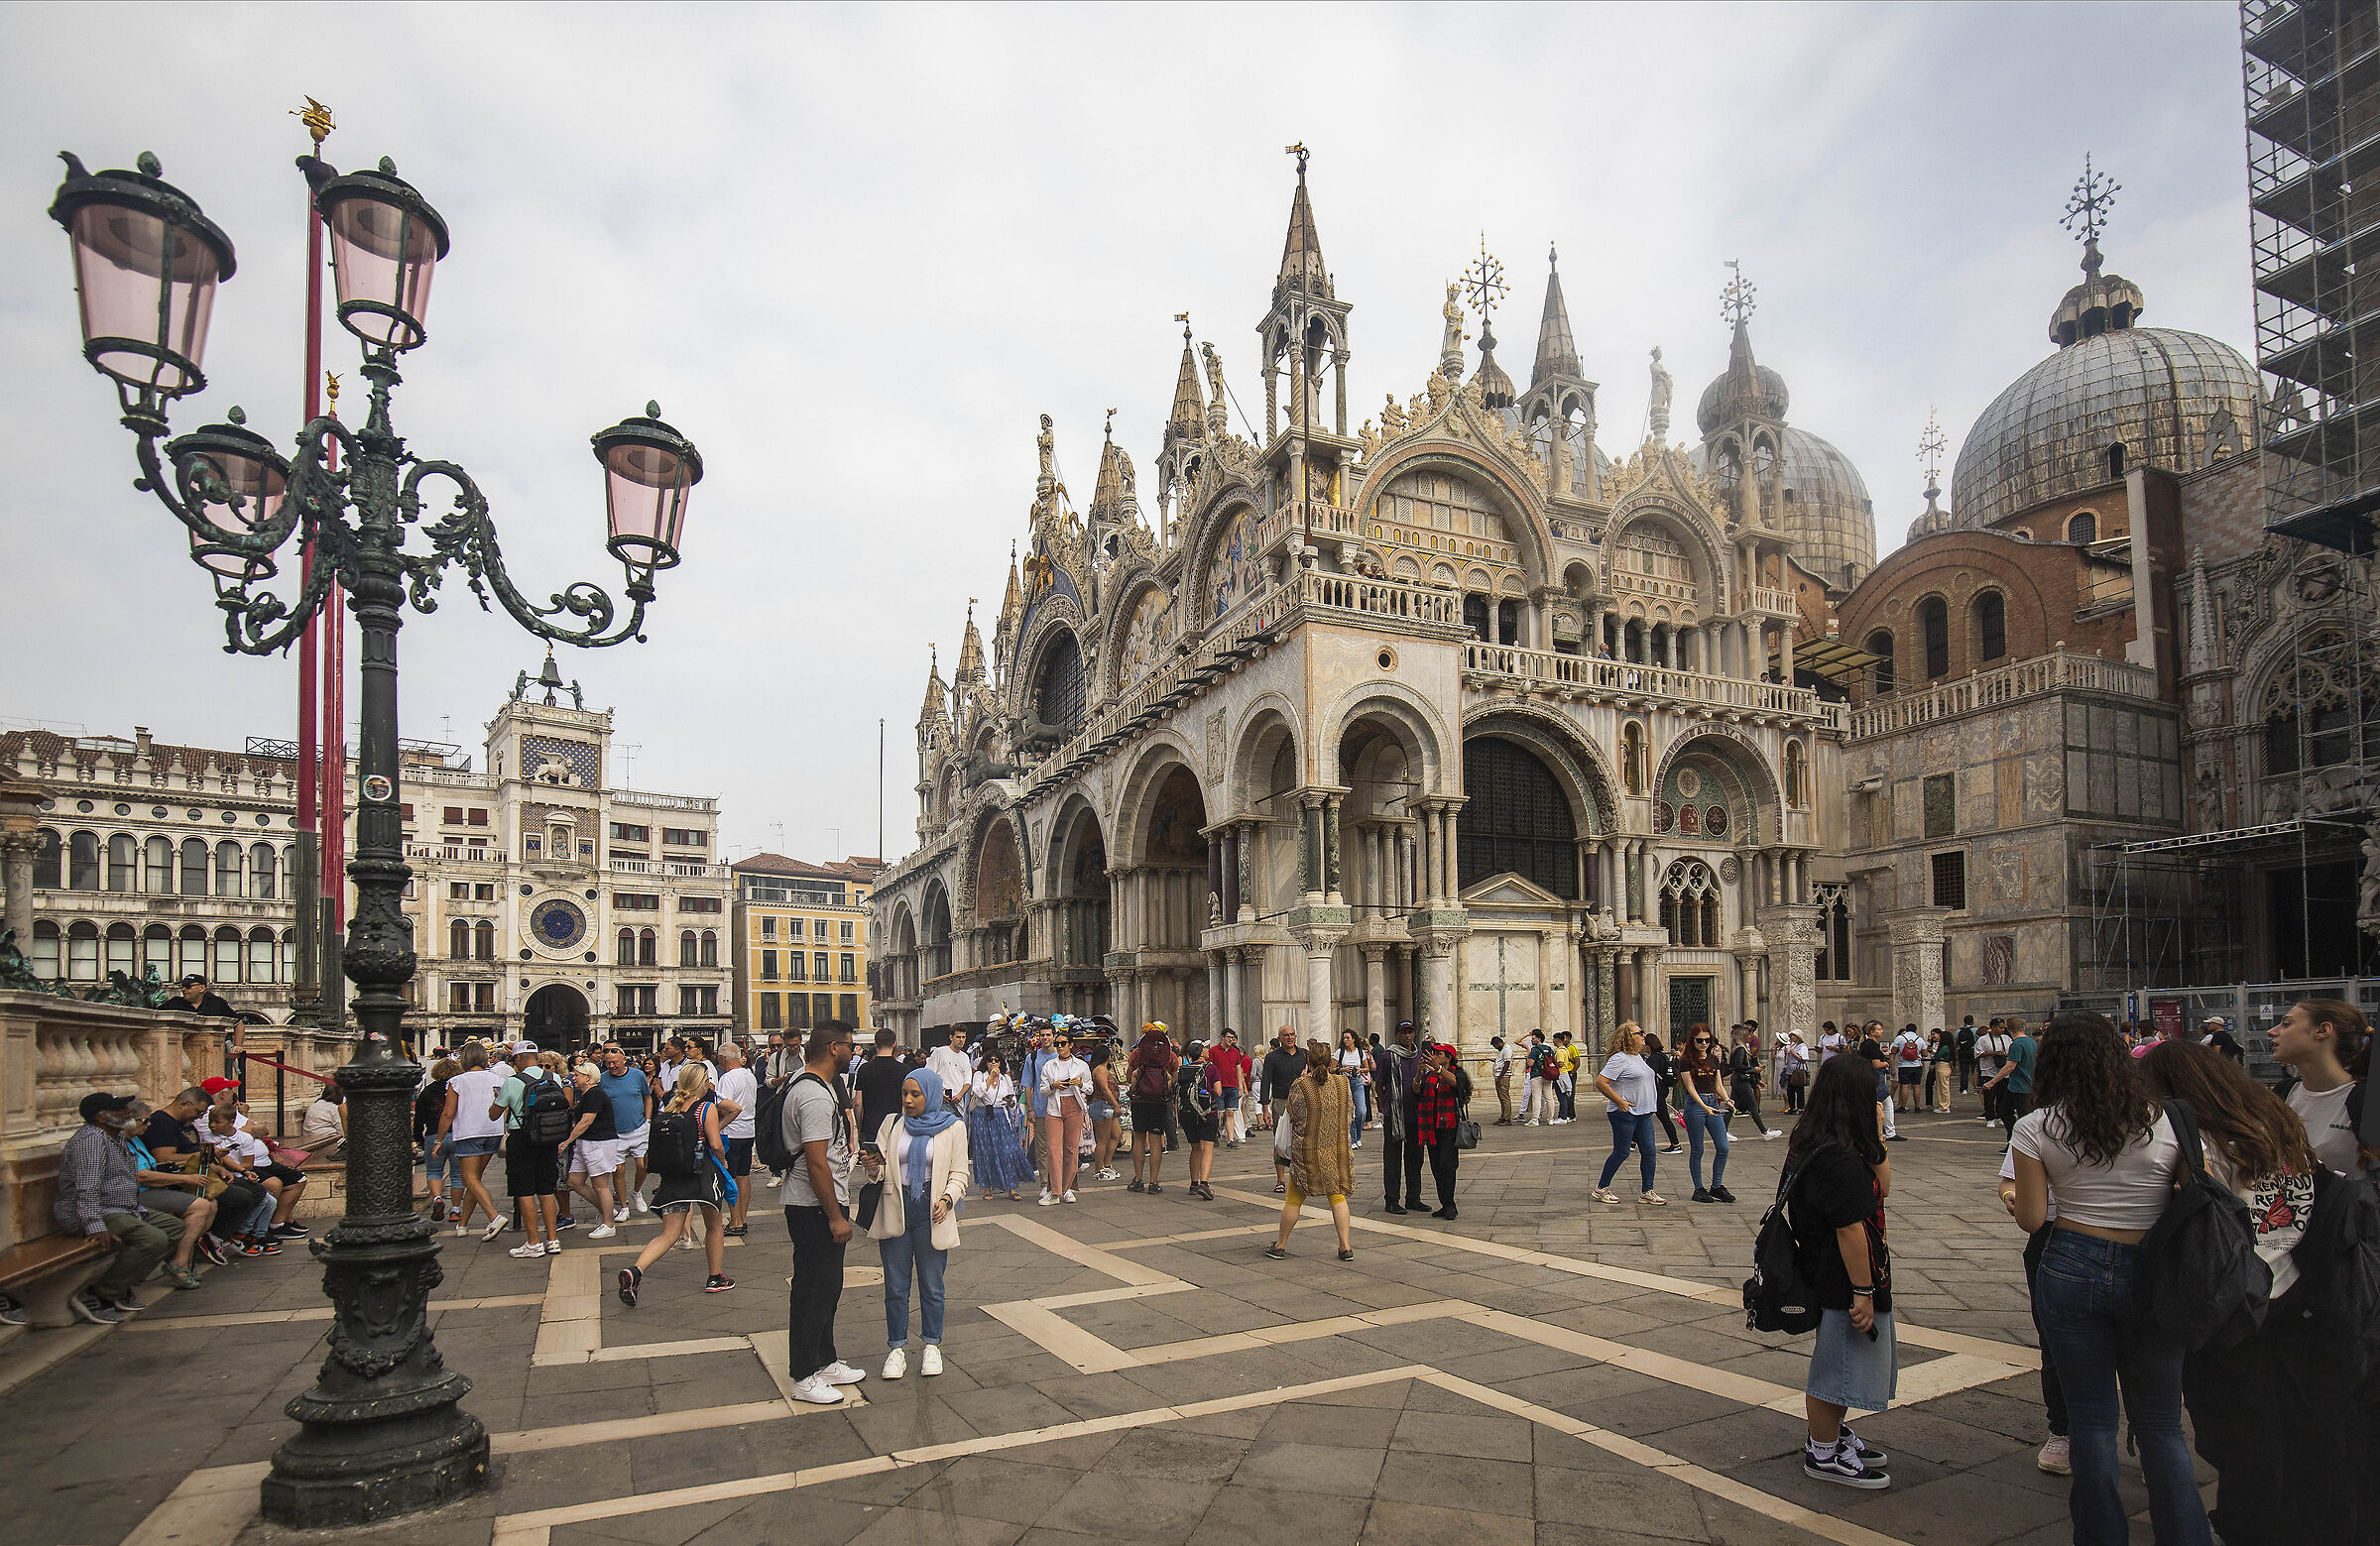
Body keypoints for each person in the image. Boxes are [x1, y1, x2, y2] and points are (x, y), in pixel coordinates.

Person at [2136, 1040, 2356, 1544]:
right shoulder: (2277, 1120)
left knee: (2234, 1429)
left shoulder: (2197, 1141)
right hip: (2294, 1286)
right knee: (2284, 1415)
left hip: (2231, 1297)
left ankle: (2249, 1522)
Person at [2008, 1011, 2208, 1546]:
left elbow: (2032, 1218)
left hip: (2071, 1262)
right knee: (2162, 1424)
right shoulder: (2171, 1117)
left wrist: (2019, 1196)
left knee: (2091, 1421)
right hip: (2153, 1267)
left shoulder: (2035, 1126)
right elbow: (2193, 1198)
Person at [1786, 1053, 1897, 1490]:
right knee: (1837, 1366)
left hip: (1836, 1267)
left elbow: (1884, 1187)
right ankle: (1822, 1451)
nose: (1879, 1099)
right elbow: (1850, 1229)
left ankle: (1833, 1433)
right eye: (1873, 1092)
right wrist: (1862, 1291)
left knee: (1845, 1360)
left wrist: (1876, 1134)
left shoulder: (1830, 1140)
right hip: (1841, 1273)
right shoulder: (1836, 1156)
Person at [864, 1066, 971, 1378]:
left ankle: (932, 1345)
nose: (908, 1100)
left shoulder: (954, 1127)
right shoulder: (892, 1123)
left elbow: (959, 1173)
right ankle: (896, 1349)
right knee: (895, 1286)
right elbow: (880, 1172)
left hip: (932, 1210)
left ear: (931, 1095)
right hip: (896, 1207)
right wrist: (872, 1167)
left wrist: (947, 1199)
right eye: (905, 1094)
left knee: (932, 1284)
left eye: (915, 1094)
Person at [782, 1022, 865, 1405]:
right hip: (813, 1206)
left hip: (819, 1201)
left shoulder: (816, 1085)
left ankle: (825, 1360)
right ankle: (803, 1374)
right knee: (813, 1289)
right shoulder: (814, 1094)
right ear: (834, 1048)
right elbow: (816, 1162)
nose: (853, 1051)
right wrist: (834, 1216)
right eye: (850, 1045)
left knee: (828, 1286)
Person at [55, 1092, 187, 1323]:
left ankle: (122, 1284)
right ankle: (100, 1295)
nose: (128, 1113)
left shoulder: (115, 1137)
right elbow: (86, 1188)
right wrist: (95, 1225)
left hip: (124, 1208)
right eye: (120, 1110)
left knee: (175, 1228)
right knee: (153, 1239)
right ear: (101, 1117)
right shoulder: (92, 1140)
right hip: (97, 1212)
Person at [617, 1064, 735, 1303]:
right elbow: (715, 1144)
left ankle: (636, 1270)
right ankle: (715, 1277)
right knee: (714, 1225)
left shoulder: (669, 1107)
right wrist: (723, 1162)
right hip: (702, 1174)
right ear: (702, 1083)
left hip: (673, 1175)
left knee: (669, 1234)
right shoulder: (706, 1108)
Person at [1265, 1041, 1356, 1262]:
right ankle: (1345, 1247)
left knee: (1293, 1200)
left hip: (1307, 1152)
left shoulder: (1301, 1085)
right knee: (1337, 1196)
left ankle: (1280, 1245)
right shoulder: (1342, 1083)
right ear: (1330, 1061)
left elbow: (1292, 1114)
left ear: (1309, 1061)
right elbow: (1350, 1112)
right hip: (1336, 1151)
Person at [117, 1100, 214, 1290]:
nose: (148, 1125)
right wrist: (185, 1179)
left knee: (211, 1204)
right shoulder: (120, 1143)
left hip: (154, 1189)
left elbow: (153, 1165)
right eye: (144, 1120)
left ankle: (180, 1259)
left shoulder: (136, 1139)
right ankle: (179, 1264)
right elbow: (141, 1176)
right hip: (138, 1194)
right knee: (200, 1207)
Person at [2269, 997, 2371, 1176]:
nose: (2271, 1032)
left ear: (2322, 1031)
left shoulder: (2364, 1100)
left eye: (2286, 1024)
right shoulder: (2284, 1092)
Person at [495, 1048, 565, 1259]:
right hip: (548, 1136)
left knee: (524, 1190)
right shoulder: (554, 1078)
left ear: (518, 1058)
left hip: (522, 1138)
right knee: (546, 1189)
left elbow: (494, 1113)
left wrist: (499, 1099)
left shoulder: (513, 1081)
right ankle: (552, 1240)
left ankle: (533, 1243)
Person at [1591, 1022, 1664, 1206]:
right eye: (1639, 1033)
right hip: (1625, 1113)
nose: (1643, 1035)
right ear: (1628, 1038)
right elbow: (1601, 1082)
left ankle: (1647, 1191)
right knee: (1622, 1152)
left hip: (1644, 1113)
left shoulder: (1638, 1057)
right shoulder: (1619, 1059)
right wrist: (1620, 1101)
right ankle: (1601, 1188)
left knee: (1649, 1152)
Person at [441, 1044, 507, 1239]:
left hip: (469, 1132)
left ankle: (494, 1216)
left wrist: (438, 1140)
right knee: (475, 1179)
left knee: (469, 1178)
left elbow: (448, 1113)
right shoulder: (498, 1079)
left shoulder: (457, 1081)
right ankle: (463, 1224)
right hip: (492, 1131)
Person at [558, 1060, 622, 1240]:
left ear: (587, 1077)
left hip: (599, 1143)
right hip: (585, 1142)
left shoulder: (594, 1094)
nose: (574, 1078)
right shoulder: (586, 1094)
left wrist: (567, 1141)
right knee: (574, 1181)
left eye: (577, 1075)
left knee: (601, 1185)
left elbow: (586, 1121)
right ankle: (607, 1210)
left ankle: (608, 1224)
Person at [596, 1046, 654, 1221]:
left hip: (638, 1127)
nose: (611, 1066)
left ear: (624, 1061)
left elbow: (647, 1098)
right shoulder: (602, 1079)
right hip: (614, 1132)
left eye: (615, 1062)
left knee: (643, 1165)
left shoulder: (638, 1075)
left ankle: (636, 1191)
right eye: (608, 1063)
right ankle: (623, 1206)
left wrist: (648, 1120)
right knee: (618, 1169)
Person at [1677, 1023, 1733, 1203]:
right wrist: (1703, 1106)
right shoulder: (1686, 1060)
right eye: (1699, 1040)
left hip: (1712, 1102)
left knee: (1723, 1147)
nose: (1703, 1043)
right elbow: (1690, 1087)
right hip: (1695, 1105)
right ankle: (1699, 1188)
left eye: (1707, 1040)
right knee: (1697, 1149)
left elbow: (1718, 1085)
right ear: (1692, 1040)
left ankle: (1717, 1185)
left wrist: (1727, 1099)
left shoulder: (1713, 1059)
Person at [965, 1053, 1033, 1201]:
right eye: (990, 1060)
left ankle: (1011, 1187)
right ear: (986, 1062)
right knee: (985, 1151)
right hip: (982, 1115)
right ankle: (987, 1188)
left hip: (1001, 1115)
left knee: (1008, 1150)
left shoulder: (1005, 1078)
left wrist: (1009, 1101)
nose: (993, 1063)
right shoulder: (979, 1075)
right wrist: (990, 1078)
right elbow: (978, 1093)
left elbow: (1013, 1101)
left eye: (997, 1060)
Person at [1036, 1028, 1092, 1205]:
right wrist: (1053, 1085)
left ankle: (1067, 1188)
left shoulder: (1081, 1065)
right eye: (1057, 1043)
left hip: (1074, 1106)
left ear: (1071, 1045)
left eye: (1063, 1044)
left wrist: (1080, 1083)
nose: (1059, 1047)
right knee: (1053, 1150)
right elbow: (1042, 1090)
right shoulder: (1050, 1065)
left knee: (1071, 1149)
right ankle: (1054, 1190)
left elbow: (1090, 1088)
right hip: (1054, 1107)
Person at [1374, 1020, 1425, 1215]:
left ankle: (1413, 1197)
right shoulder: (1388, 1057)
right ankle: (1392, 1200)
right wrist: (1383, 1106)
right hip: (1394, 1114)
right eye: (1403, 1032)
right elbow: (1379, 1084)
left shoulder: (1419, 1055)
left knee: (1415, 1158)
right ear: (1396, 1035)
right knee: (1393, 1159)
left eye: (1410, 1032)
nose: (1407, 1036)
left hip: (1415, 1113)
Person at [1413, 1040, 1467, 1220]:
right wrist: (1420, 1072)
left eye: (1439, 1054)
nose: (1435, 1056)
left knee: (1447, 1166)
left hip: (1449, 1127)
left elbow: (1458, 1085)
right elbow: (1416, 1090)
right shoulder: (1430, 1075)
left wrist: (1439, 1069)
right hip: (1431, 1127)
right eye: (1434, 1053)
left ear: (1448, 1058)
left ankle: (1450, 1204)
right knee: (1436, 1167)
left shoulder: (1456, 1073)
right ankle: (1445, 1203)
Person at [1125, 1022, 1179, 1194]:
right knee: (1156, 1141)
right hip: (1159, 1102)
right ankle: (1154, 1182)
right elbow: (1173, 1079)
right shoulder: (1170, 1055)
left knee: (1139, 1139)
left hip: (1140, 1101)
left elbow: (1129, 1076)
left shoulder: (1137, 1053)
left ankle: (1138, 1179)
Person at [714, 1041, 759, 1238]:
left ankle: (735, 1221)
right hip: (748, 1130)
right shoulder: (749, 1075)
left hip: (731, 1132)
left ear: (723, 1058)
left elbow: (725, 1107)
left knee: (729, 1177)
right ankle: (743, 1218)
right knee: (743, 1175)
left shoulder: (727, 1078)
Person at [853, 1030, 909, 1163]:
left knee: (873, 1164)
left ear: (875, 1044)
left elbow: (858, 1102)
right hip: (896, 1123)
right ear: (894, 1044)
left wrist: (860, 1127)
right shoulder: (904, 1069)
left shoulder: (864, 1069)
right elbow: (907, 1101)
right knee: (894, 1163)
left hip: (871, 1124)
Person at [416, 1056, 459, 1222]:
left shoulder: (428, 1091)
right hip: (457, 1134)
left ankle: (438, 1199)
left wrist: (418, 1137)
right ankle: (455, 1210)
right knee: (457, 1174)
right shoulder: (458, 1090)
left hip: (433, 1135)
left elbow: (419, 1117)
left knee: (434, 1171)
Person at [1177, 1040, 1220, 1200]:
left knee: (1195, 1148)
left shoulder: (1184, 1069)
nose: (1208, 1049)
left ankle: (1193, 1184)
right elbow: (1218, 1091)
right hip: (1207, 1112)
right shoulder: (1211, 1068)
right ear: (1201, 1052)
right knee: (1207, 1148)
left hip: (1187, 1113)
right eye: (1205, 1047)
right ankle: (1204, 1183)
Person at [1985, 1019, 2038, 1140]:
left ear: (2008, 1029)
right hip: (2024, 1084)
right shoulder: (2031, 1042)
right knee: (2005, 1111)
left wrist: (1992, 1082)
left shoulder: (2016, 1044)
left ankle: (2019, 1141)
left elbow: (2010, 1066)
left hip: (2020, 1086)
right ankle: (2013, 1140)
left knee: (2020, 1116)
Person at [1728, 1026, 1780, 1139]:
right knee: (1753, 1105)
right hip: (1741, 1080)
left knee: (1732, 1105)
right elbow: (1739, 1066)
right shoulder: (1741, 1050)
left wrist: (1757, 1080)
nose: (1750, 1037)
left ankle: (1723, 1131)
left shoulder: (1737, 1049)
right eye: (1748, 1035)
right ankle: (1764, 1132)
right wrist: (1754, 1070)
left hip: (1738, 1079)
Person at [1087, 1042, 1124, 1182]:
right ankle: (1098, 1170)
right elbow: (1104, 1089)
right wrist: (1116, 1105)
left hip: (1107, 1106)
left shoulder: (1102, 1069)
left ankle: (1106, 1165)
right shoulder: (1100, 1070)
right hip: (1102, 1105)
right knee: (1103, 1139)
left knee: (1116, 1134)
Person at [1641, 1030, 1684, 1151]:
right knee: (1647, 1117)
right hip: (1662, 1090)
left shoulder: (1654, 1058)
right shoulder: (1662, 1056)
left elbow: (1649, 1075)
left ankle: (1676, 1144)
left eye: (1645, 1044)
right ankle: (1633, 1142)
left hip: (1656, 1092)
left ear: (1649, 1045)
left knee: (1651, 1117)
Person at [1209, 1029, 1250, 1147]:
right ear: (1222, 1037)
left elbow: (1238, 1069)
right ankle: (1214, 1134)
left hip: (1232, 1086)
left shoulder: (1235, 1052)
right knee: (1219, 1113)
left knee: (1230, 1112)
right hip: (1219, 1085)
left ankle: (1230, 1139)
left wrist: (1240, 1087)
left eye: (1232, 1037)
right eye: (1228, 1037)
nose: (1231, 1040)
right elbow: (1210, 1068)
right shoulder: (1214, 1050)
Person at [1260, 1027, 1304, 1132]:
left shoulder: (1304, 1055)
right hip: (1280, 1102)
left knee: (1300, 1134)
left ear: (1296, 1037)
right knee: (1280, 1135)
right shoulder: (1272, 1057)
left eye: (1292, 1034)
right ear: (1279, 1038)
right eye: (1286, 1035)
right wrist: (1265, 1110)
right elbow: (1265, 1082)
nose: (1290, 1038)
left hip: (1301, 1101)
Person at [1973, 1019, 2010, 1128]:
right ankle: (1990, 1118)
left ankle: (2000, 1116)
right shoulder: (1983, 1040)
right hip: (1988, 1072)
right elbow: (1977, 1054)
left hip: (2003, 1073)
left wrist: (2005, 1055)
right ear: (1993, 1027)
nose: (2002, 1030)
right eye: (2000, 1027)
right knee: (1989, 1097)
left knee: (2002, 1096)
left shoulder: (2006, 1038)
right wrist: (1993, 1053)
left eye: (2004, 1028)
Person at [1339, 1028, 1372, 1146]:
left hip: (1357, 1082)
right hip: (1345, 1081)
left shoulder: (1360, 1052)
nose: (1345, 1040)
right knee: (1349, 1112)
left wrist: (1360, 1070)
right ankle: (1352, 1139)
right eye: (1344, 1038)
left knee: (1362, 1111)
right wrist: (1343, 1069)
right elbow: (1332, 1069)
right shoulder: (1340, 1052)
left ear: (1353, 1039)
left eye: (1348, 1038)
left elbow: (1367, 1068)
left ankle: (1358, 1135)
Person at [1521, 1029, 1558, 1127]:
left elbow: (1531, 1063)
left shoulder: (1535, 1049)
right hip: (1548, 1075)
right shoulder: (1549, 1049)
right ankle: (1550, 1119)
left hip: (1536, 1075)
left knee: (1536, 1098)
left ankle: (1535, 1119)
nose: (1532, 1040)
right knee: (1549, 1098)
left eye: (1533, 1038)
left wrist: (1528, 1062)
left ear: (1538, 1039)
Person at [925, 1028, 971, 1101]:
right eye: (958, 1037)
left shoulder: (965, 1057)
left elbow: (968, 1081)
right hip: (941, 1100)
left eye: (963, 1037)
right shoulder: (939, 1052)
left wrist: (960, 1095)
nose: (961, 1040)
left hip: (958, 1102)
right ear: (951, 1037)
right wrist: (939, 1092)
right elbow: (929, 1075)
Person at [1890, 1023, 1926, 1114]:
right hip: (1917, 1065)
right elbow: (1925, 1054)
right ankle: (1917, 1107)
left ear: (1906, 1029)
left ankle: (1903, 1107)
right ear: (1915, 1030)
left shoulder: (1900, 1038)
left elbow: (1893, 1051)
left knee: (1904, 1086)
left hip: (1904, 1065)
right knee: (1916, 1086)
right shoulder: (1920, 1039)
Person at [299, 1084, 346, 1151]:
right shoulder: (333, 1108)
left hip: (309, 1136)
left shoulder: (315, 1104)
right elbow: (342, 1130)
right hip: (327, 1138)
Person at [1489, 1033, 1518, 1125]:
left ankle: (1507, 1118)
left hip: (1503, 1076)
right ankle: (1503, 1116)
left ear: (1499, 1043)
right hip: (1499, 1075)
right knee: (1501, 1097)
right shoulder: (1503, 1050)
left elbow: (1507, 1063)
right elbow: (1502, 1061)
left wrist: (1500, 1077)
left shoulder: (1507, 1049)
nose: (1495, 1048)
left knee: (1505, 1097)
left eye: (1495, 1046)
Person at [1779, 1033, 1810, 1116]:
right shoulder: (1792, 1045)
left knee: (1799, 1090)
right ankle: (1792, 1107)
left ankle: (1801, 1108)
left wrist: (1794, 1054)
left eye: (1794, 1036)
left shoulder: (1803, 1047)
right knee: (1790, 1090)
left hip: (1798, 1071)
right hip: (1790, 1071)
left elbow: (1804, 1059)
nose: (1792, 1037)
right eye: (1791, 1036)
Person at [1552, 1030, 1580, 1123]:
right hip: (1565, 1073)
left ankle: (1566, 1115)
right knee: (1565, 1095)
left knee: (1564, 1096)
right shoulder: (1565, 1049)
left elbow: (1561, 1063)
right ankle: (1566, 1115)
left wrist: (1552, 1064)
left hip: (1565, 1073)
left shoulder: (1563, 1050)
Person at [1925, 1029, 1955, 1114]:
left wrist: (1938, 1056)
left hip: (1942, 1066)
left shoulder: (1944, 1047)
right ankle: (1943, 1104)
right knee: (1941, 1086)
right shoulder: (1949, 1046)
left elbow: (1937, 1056)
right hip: (1942, 1066)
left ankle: (1944, 1106)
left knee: (1943, 1087)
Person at [1956, 1017, 1978, 1095]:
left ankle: (1964, 1089)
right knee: (1975, 1071)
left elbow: (1955, 1041)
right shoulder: (1975, 1030)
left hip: (1962, 1053)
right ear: (1972, 1022)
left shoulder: (1958, 1031)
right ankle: (1976, 1087)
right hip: (1972, 1052)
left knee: (1963, 1071)